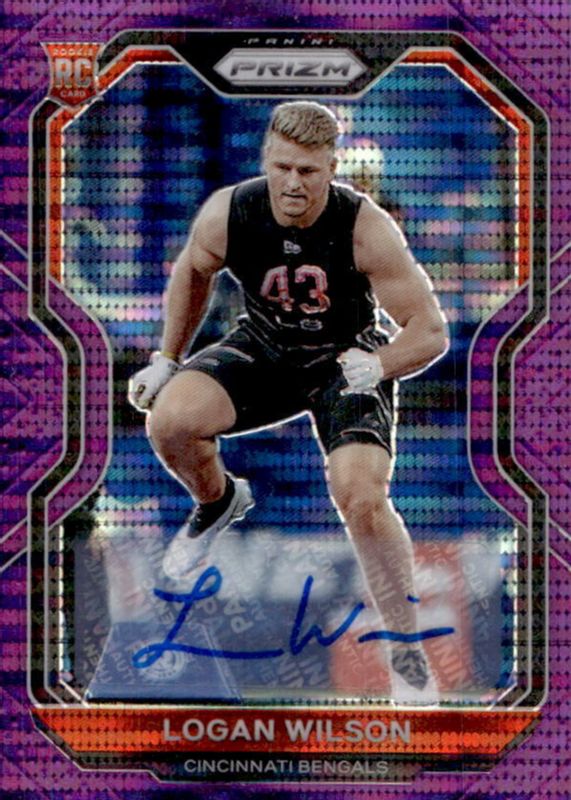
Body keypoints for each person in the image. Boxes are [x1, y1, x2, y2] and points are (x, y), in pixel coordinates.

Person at [128, 101, 448, 703]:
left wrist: (380, 363)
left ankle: (406, 646)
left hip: (344, 361)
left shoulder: (365, 226)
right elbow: (193, 270)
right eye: (282, 168)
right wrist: (167, 357)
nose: (293, 183)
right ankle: (217, 502)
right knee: (169, 420)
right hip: (266, 348)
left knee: (362, 498)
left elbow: (430, 330)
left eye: (307, 171)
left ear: (331, 169)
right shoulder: (230, 211)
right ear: (265, 161)